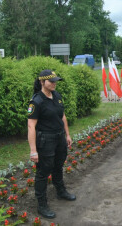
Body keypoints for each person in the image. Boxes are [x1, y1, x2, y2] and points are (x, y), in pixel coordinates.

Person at [28, 70, 76, 219]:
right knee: (43, 171)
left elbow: (62, 116)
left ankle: (61, 191)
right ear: (42, 82)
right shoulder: (36, 101)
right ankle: (42, 204)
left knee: (58, 165)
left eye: (55, 81)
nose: (54, 83)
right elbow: (31, 126)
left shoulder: (57, 96)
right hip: (45, 141)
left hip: (59, 138)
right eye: (51, 81)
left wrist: (67, 134)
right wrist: (33, 150)